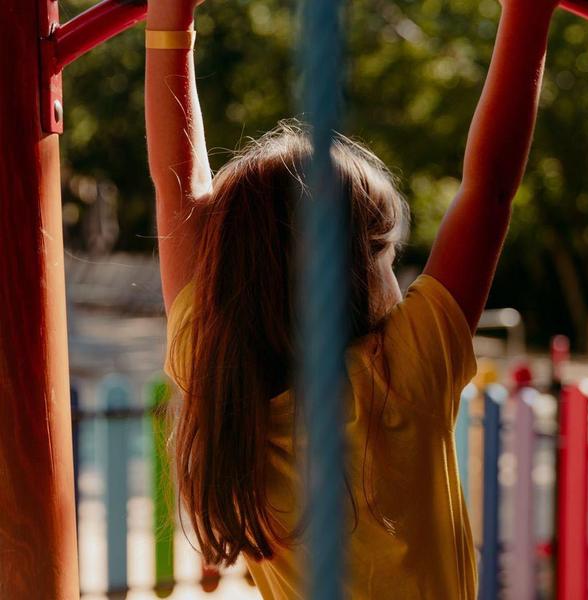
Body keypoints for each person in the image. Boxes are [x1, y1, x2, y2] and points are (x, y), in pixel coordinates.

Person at [145, 0, 557, 596]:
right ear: (354, 271)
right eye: (387, 257)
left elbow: (177, 192)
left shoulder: (220, 377)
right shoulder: (403, 373)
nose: (398, 276)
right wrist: (529, 16)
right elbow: (488, 188)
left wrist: (168, 24)